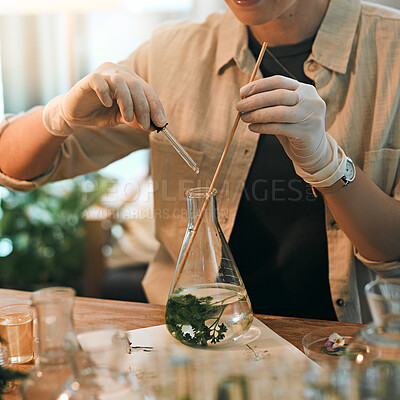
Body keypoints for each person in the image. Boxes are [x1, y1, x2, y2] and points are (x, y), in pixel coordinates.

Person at [0, 0, 399, 323]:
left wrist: (330, 167)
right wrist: (58, 117)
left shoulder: (391, 50)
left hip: (346, 349)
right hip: (191, 342)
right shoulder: (171, 53)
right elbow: (12, 164)